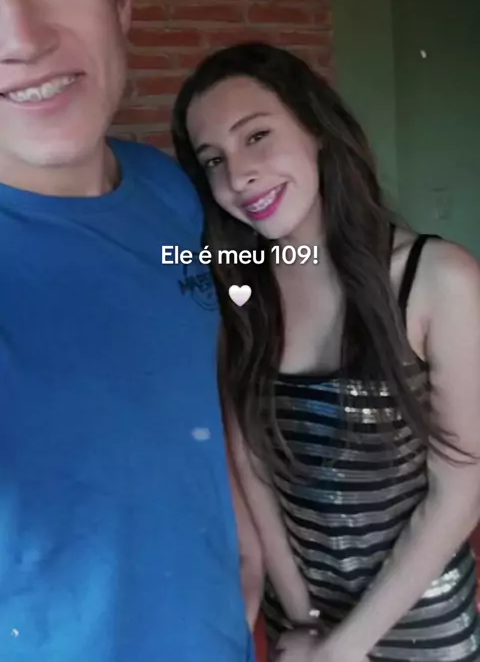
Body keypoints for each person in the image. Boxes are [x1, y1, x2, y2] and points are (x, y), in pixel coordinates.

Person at [0, 0, 255, 660]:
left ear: (121, 0)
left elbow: (197, 362)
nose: (20, 36)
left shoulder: (174, 192)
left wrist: (236, 515)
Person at [171, 41, 480, 662]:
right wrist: (303, 619)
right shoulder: (239, 286)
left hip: (420, 627)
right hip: (300, 623)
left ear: (315, 127)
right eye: (213, 160)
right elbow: (251, 461)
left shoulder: (436, 279)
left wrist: (342, 650)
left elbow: (461, 483)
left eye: (256, 136)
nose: (238, 176)